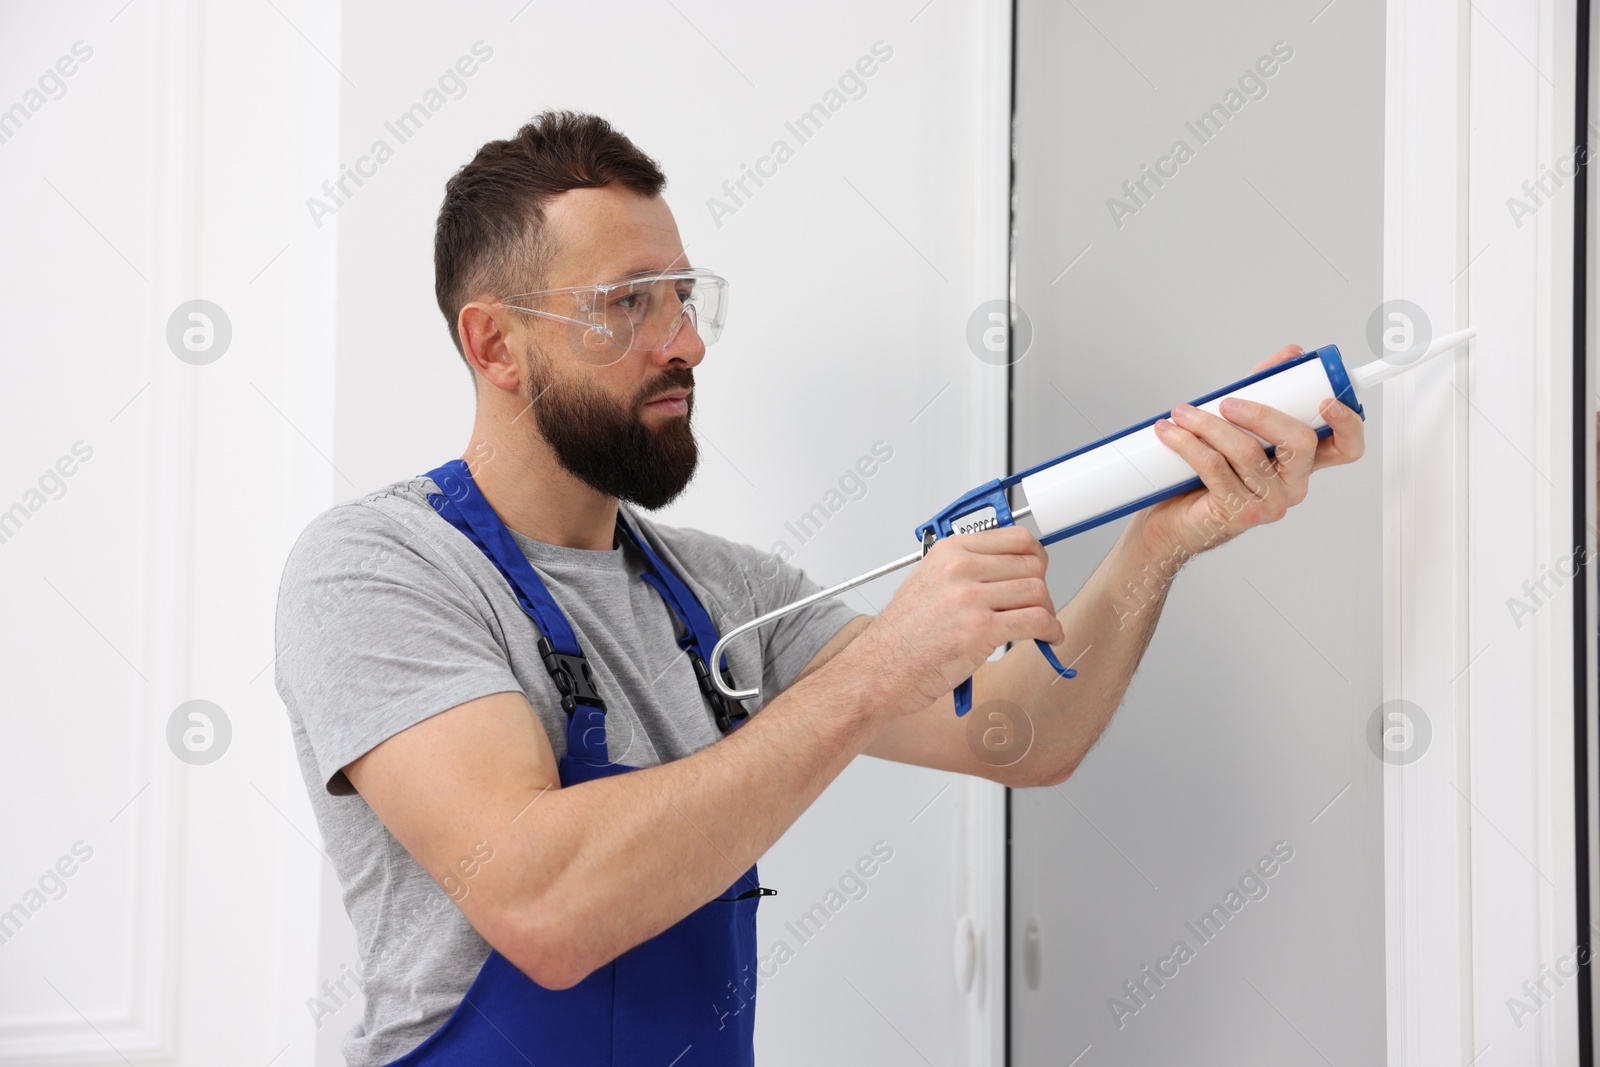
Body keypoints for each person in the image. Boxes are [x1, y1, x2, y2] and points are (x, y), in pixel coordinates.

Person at [272, 109, 1366, 1066]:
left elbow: (1020, 735)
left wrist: (1157, 543)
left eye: (684, 298)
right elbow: (545, 904)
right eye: (626, 305)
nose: (686, 342)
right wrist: (882, 663)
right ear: (495, 344)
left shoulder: (718, 591)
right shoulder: (378, 569)